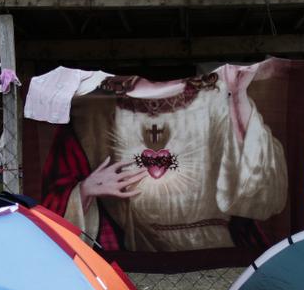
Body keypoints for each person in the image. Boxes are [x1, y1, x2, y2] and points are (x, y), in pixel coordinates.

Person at [39, 62, 290, 252]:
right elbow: (54, 197)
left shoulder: (218, 97)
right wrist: (85, 191)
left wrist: (238, 98)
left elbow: (262, 192)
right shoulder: (94, 112)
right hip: (135, 242)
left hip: (212, 241)